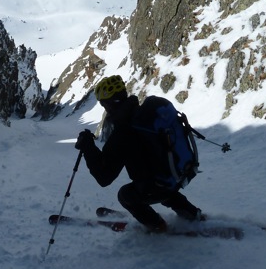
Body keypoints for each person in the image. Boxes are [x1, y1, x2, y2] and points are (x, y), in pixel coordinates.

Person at [75, 74, 204, 233]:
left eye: (103, 104)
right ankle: (192, 214)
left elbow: (104, 177)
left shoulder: (124, 131)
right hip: (177, 175)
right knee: (159, 183)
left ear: (110, 104)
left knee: (126, 195)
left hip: (159, 184)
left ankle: (157, 226)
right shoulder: (142, 115)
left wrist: (88, 147)